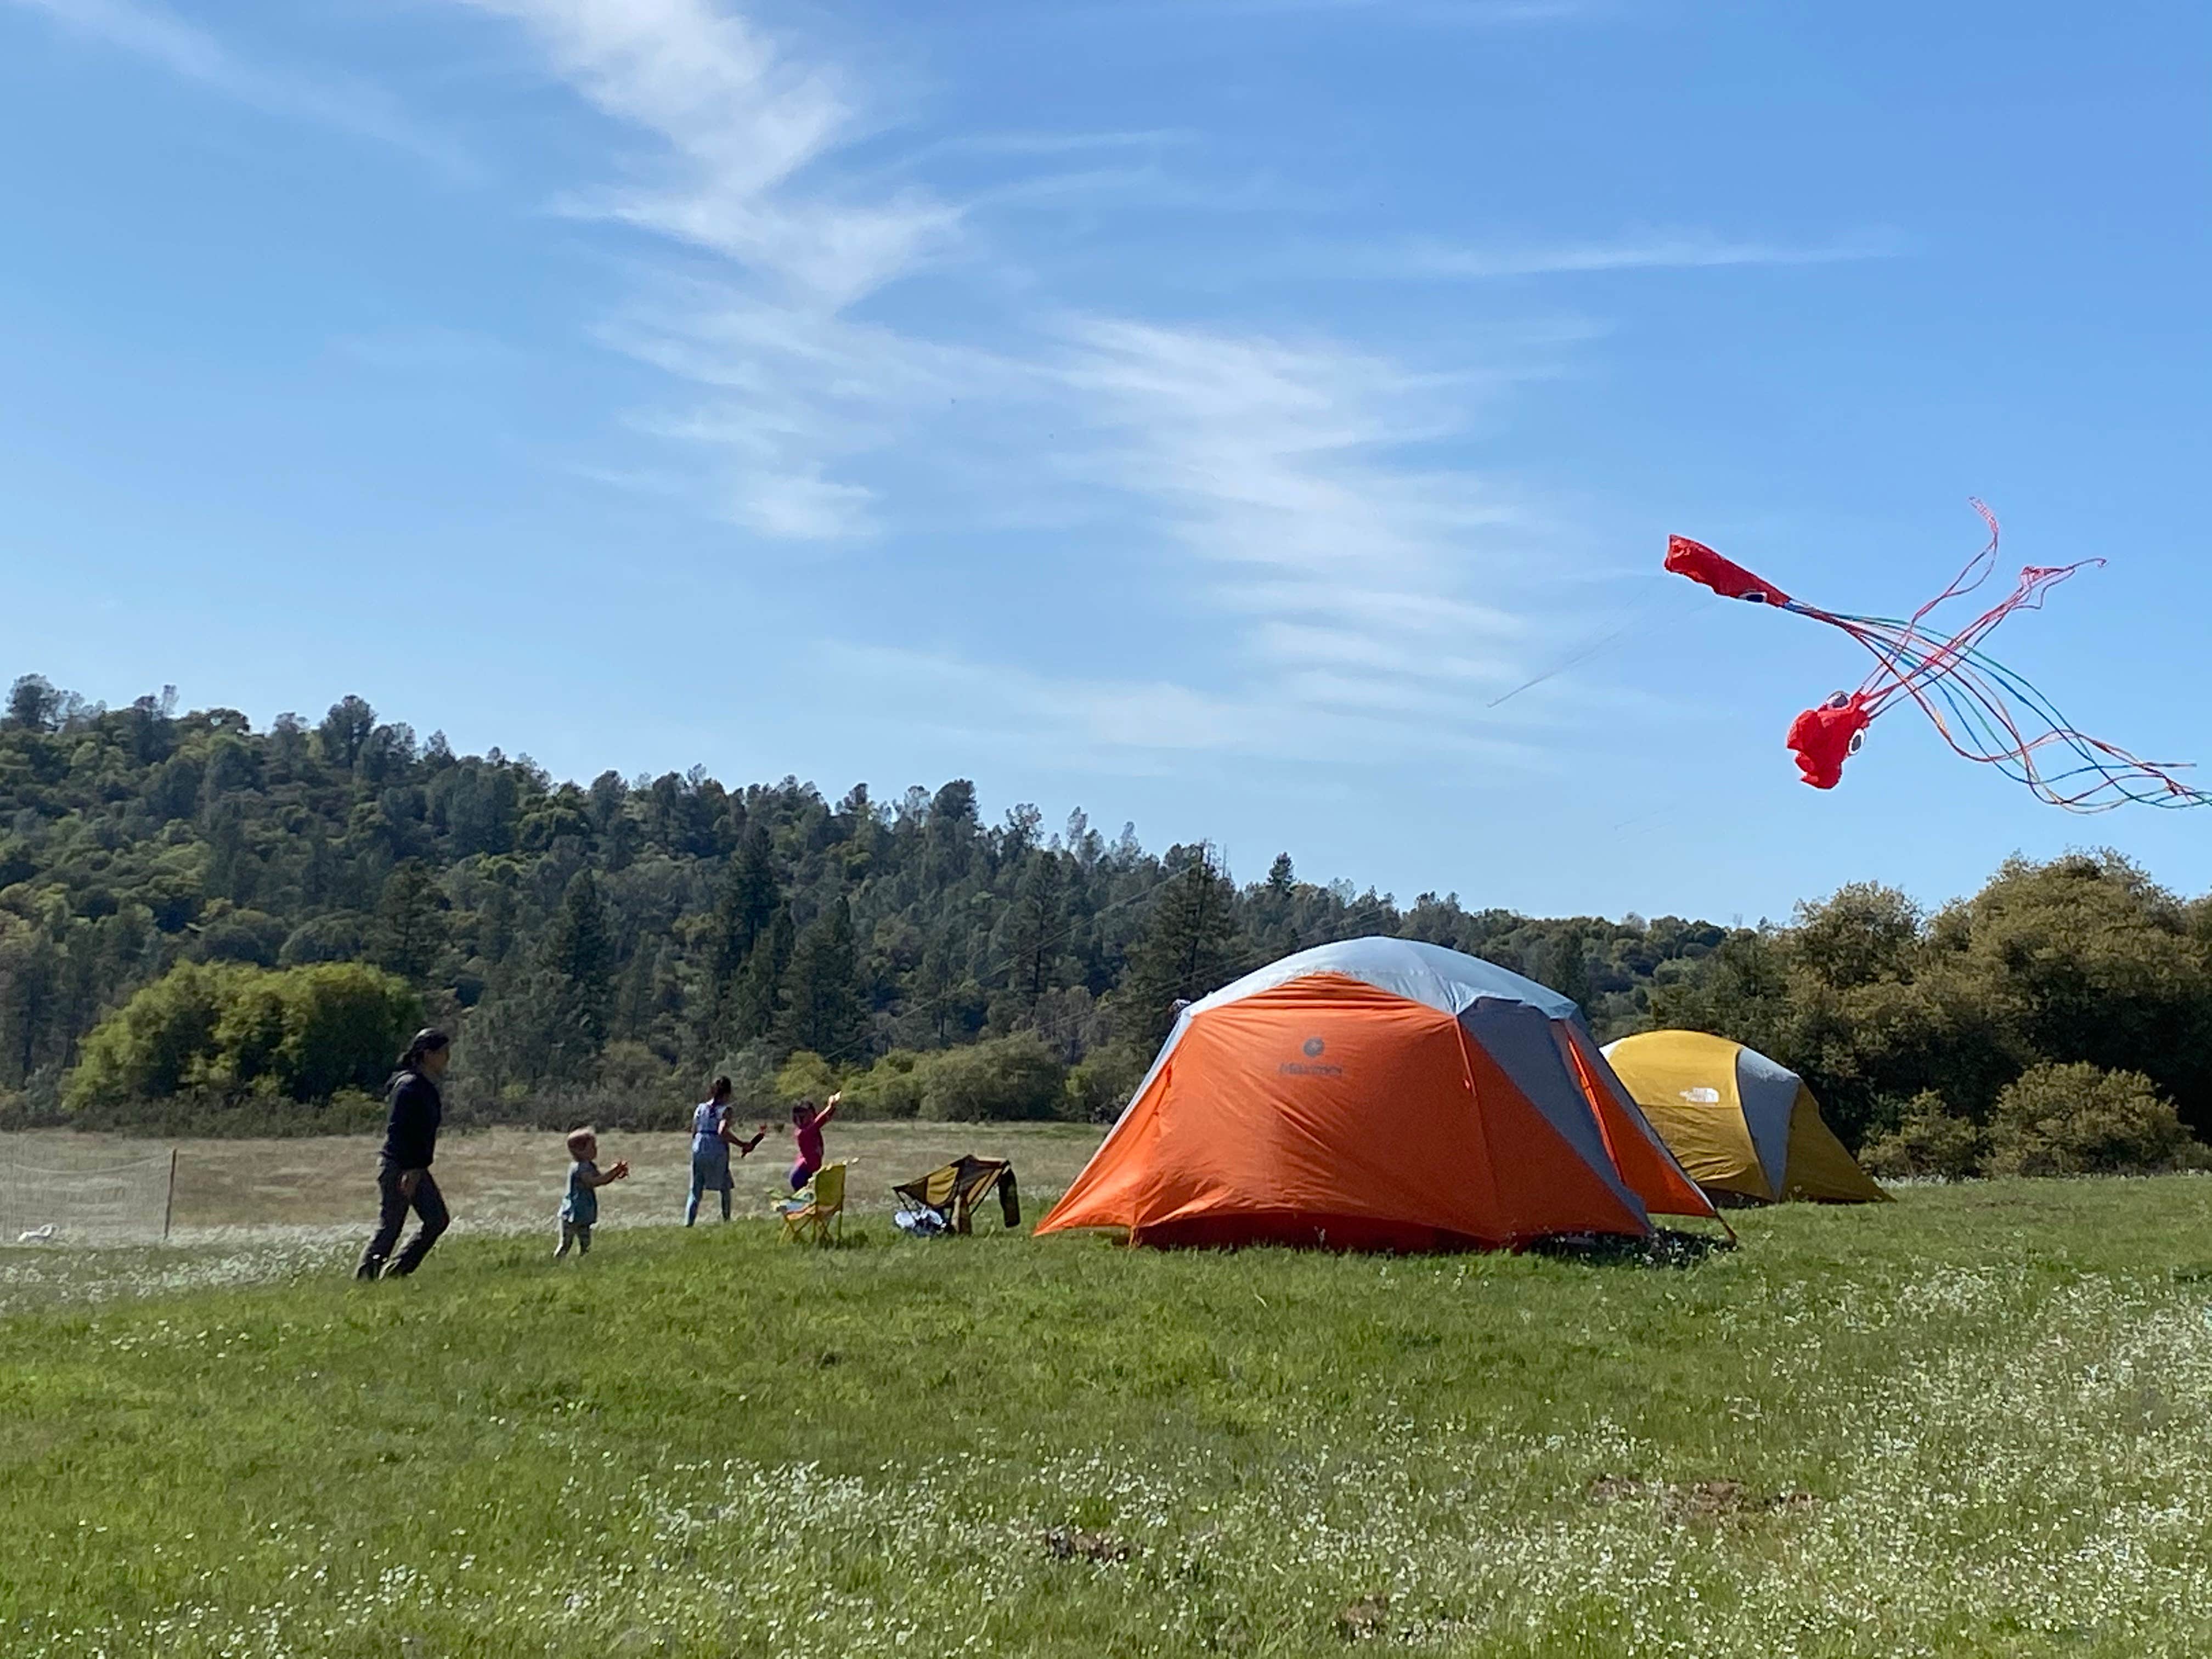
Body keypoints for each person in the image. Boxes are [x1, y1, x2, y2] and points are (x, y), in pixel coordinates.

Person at [356, 1028, 453, 1280]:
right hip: (401, 1167)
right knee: (391, 1227)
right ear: (426, 1055)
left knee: (436, 1220)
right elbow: (400, 1132)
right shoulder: (410, 1087)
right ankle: (365, 1279)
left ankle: (396, 1273)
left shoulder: (423, 1086)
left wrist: (417, 1168)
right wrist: (410, 1170)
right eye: (443, 1052)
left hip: (415, 1167)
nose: (447, 1058)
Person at [686, 1076, 766, 1226]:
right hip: (716, 1149)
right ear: (728, 1093)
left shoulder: (700, 1108)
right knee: (725, 1185)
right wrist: (742, 1144)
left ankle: (689, 1222)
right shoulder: (725, 1110)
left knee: (696, 1188)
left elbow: (694, 1131)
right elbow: (722, 1131)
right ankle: (727, 1220)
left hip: (699, 1147)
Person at [556, 1126, 629, 1259]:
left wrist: (614, 1173)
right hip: (573, 1213)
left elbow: (602, 1180)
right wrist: (614, 1172)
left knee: (586, 1243)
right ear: (579, 1150)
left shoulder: (589, 1166)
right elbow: (594, 1182)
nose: (596, 1150)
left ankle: (582, 1262)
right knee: (566, 1243)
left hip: (582, 1212)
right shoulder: (581, 1168)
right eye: (592, 1147)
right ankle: (558, 1261)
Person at [788, 1092, 841, 1192]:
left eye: (803, 1117)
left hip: (806, 1172)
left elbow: (825, 1118)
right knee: (806, 1202)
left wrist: (833, 1107)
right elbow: (820, 1121)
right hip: (801, 1175)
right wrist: (830, 1106)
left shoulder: (812, 1129)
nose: (800, 1121)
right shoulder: (803, 1133)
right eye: (797, 1118)